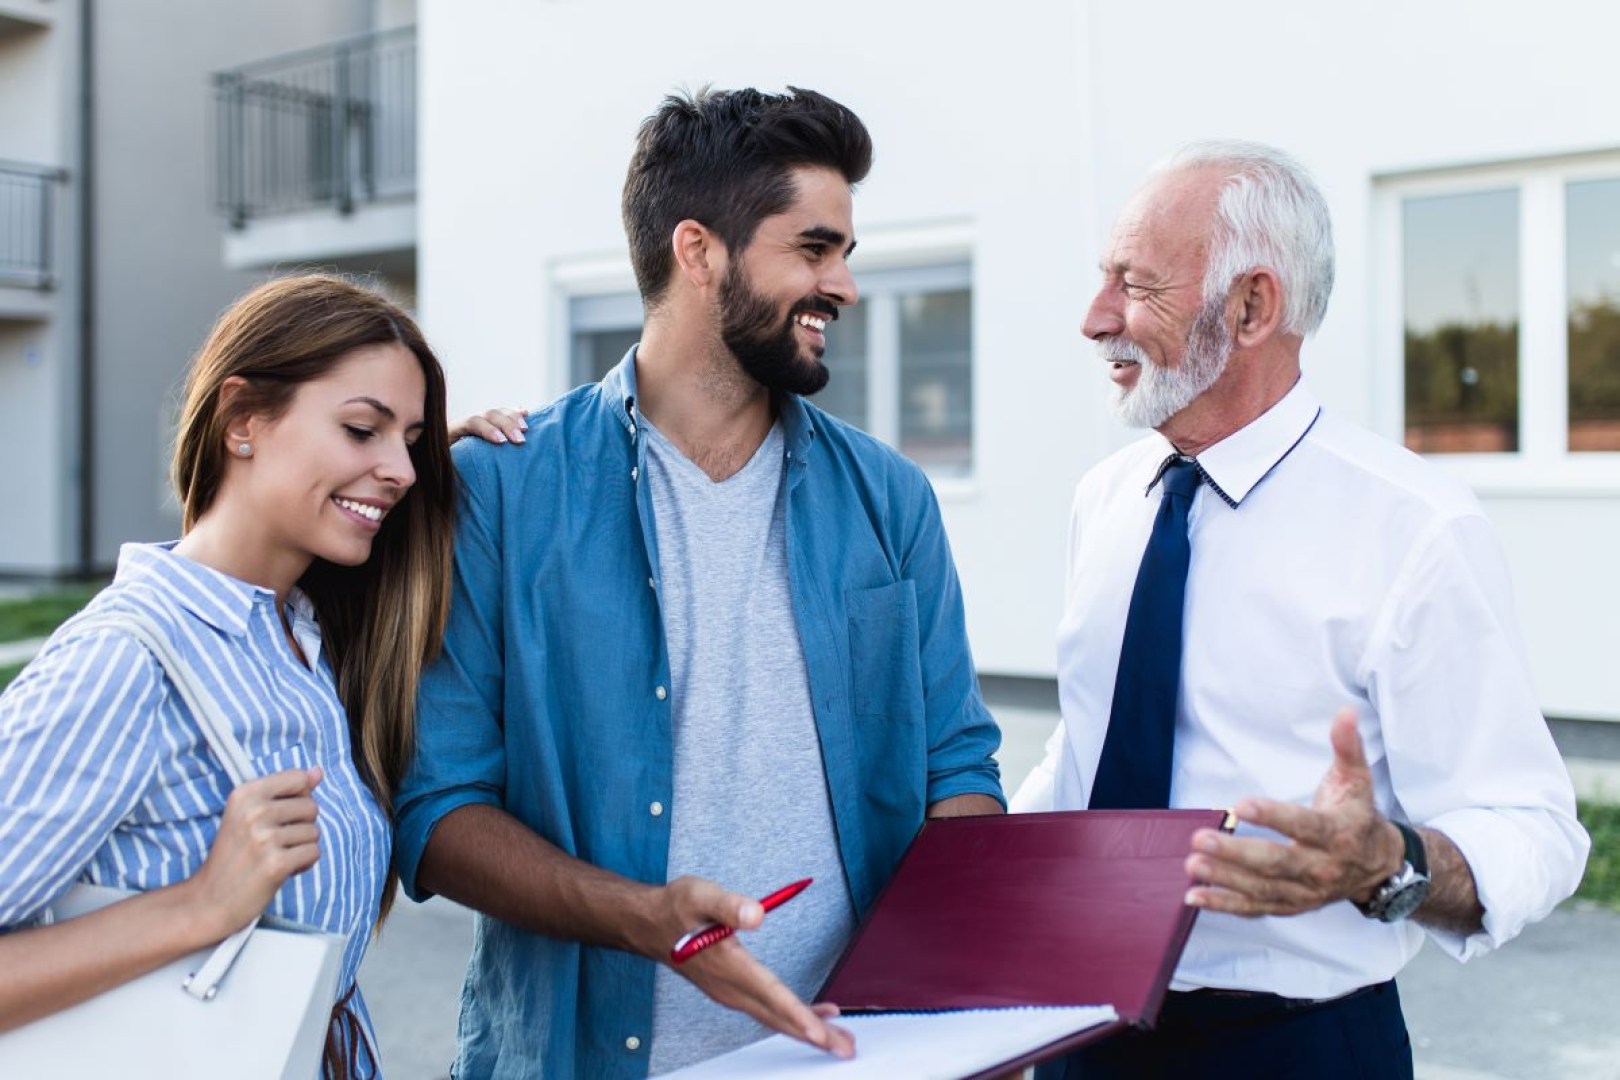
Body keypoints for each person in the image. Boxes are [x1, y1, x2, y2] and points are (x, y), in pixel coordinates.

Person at [393, 85, 1005, 1078]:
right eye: (813, 249)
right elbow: (439, 809)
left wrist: (954, 996)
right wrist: (647, 921)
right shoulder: (501, 493)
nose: (843, 286)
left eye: (845, 251)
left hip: (848, 1057)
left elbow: (957, 772)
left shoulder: (891, 500)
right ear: (698, 251)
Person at [1013, 141, 1589, 1078]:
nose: (1095, 318)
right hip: (1080, 1029)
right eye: (1101, 280)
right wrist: (975, 884)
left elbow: (1535, 827)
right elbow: (1089, 744)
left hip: (1297, 1048)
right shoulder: (1106, 499)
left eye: (1136, 285)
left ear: (1251, 307)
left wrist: (1385, 863)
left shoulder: (1415, 528)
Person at [0, 273, 461, 1078]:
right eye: (363, 429)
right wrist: (199, 907)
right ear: (242, 421)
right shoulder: (126, 662)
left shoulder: (306, 644)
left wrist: (483, 470)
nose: (402, 470)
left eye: (412, 440)